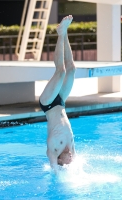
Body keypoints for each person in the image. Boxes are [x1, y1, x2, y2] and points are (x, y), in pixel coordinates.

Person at [39, 15, 76, 172]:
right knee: (72, 69)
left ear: (60, 159)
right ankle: (65, 32)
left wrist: (56, 170)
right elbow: (77, 170)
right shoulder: (71, 149)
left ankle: (60, 33)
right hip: (60, 102)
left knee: (61, 72)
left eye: (66, 161)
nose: (70, 159)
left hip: (48, 103)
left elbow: (54, 170)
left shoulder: (53, 150)